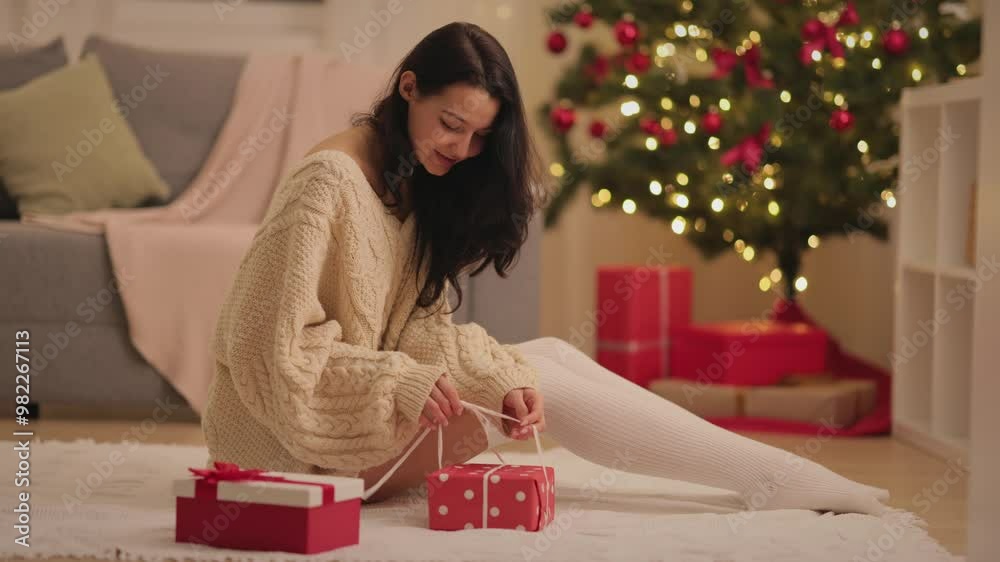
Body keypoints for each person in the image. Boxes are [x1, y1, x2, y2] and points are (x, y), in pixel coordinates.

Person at [203, 21, 891, 514]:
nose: (462, 148)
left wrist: (485, 378)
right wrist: (403, 381)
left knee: (538, 363)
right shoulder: (326, 184)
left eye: (477, 136)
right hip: (290, 453)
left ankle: (775, 476)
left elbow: (412, 326)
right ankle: (773, 479)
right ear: (407, 87)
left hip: (349, 428)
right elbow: (270, 354)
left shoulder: (407, 178)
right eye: (450, 123)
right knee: (542, 382)